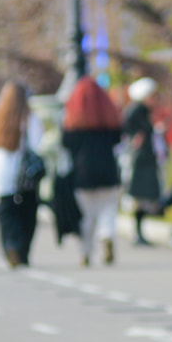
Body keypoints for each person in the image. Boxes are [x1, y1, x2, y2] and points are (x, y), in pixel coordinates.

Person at [61, 76, 123, 267]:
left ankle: (85, 252)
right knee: (108, 209)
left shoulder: (73, 123)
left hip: (83, 173)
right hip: (108, 171)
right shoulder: (108, 120)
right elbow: (118, 139)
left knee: (87, 215)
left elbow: (66, 145)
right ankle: (107, 234)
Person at [0, 81, 43, 268]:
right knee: (27, 216)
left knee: (6, 217)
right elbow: (37, 144)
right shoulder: (28, 119)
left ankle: (10, 246)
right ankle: (23, 250)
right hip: (23, 176)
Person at [122, 77, 162, 246]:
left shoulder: (140, 110)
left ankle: (139, 232)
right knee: (139, 197)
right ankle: (137, 233)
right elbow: (132, 131)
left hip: (144, 158)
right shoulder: (137, 110)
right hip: (141, 160)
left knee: (143, 198)